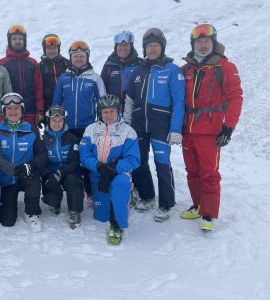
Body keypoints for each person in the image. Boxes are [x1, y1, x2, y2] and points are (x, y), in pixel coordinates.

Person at [180, 24, 243, 231]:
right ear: (193, 43)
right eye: (198, 41)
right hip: (187, 129)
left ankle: (208, 214)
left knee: (209, 173)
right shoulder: (186, 68)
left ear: (213, 42)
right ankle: (198, 205)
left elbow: (235, 98)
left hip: (209, 130)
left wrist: (229, 127)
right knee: (192, 171)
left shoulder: (225, 67)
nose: (203, 44)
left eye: (206, 41)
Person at [123, 28, 185, 222]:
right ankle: (148, 195)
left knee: (162, 165)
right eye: (149, 45)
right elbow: (129, 100)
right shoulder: (138, 71)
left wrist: (175, 129)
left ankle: (166, 203)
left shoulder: (172, 70)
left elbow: (179, 102)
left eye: (156, 45)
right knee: (139, 162)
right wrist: (126, 123)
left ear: (162, 47)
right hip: (139, 125)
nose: (152, 49)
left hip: (161, 126)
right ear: (144, 48)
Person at [79, 94, 140, 245]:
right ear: (100, 112)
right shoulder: (90, 129)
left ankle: (117, 226)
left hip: (119, 174)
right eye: (105, 112)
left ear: (118, 111)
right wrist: (98, 166)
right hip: (98, 174)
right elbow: (84, 154)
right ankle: (118, 200)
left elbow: (133, 160)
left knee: (121, 186)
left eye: (112, 111)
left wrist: (114, 168)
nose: (109, 115)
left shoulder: (128, 131)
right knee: (101, 216)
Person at [53, 40, 106, 204]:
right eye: (75, 56)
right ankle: (71, 191)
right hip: (67, 127)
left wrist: (101, 125)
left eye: (81, 56)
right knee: (69, 159)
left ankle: (90, 192)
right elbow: (56, 103)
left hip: (87, 128)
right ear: (71, 58)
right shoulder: (63, 79)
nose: (78, 59)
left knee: (87, 160)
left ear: (87, 57)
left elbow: (103, 103)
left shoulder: (95, 78)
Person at [0, 93, 47, 232]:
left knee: (34, 177)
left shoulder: (32, 129)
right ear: (4, 111)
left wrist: (31, 165)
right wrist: (15, 170)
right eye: (9, 108)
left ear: (22, 111)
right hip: (8, 178)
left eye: (16, 108)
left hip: (27, 174)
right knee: (7, 221)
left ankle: (32, 212)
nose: (13, 111)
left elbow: (42, 154)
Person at [41, 105, 84, 229]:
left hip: (68, 171)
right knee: (50, 182)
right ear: (48, 121)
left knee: (73, 181)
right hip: (51, 172)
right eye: (53, 120)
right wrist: (47, 174)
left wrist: (60, 173)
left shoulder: (72, 138)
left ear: (64, 121)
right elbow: (40, 161)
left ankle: (74, 212)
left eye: (60, 120)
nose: (56, 123)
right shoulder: (43, 139)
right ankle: (55, 202)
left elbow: (74, 161)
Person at [0, 25, 44, 126]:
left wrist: (40, 111)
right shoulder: (2, 64)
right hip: (10, 112)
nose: (17, 41)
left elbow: (38, 88)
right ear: (9, 41)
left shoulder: (32, 63)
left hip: (30, 112)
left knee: (31, 139)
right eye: (14, 39)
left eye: (20, 38)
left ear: (24, 41)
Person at [101, 30, 142, 113]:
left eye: (126, 45)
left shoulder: (140, 64)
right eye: (120, 45)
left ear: (131, 46)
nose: (123, 48)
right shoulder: (109, 65)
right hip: (113, 113)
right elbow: (103, 89)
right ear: (116, 47)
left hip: (135, 112)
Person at [39, 34, 70, 113]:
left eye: (54, 48)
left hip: (66, 104)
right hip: (48, 105)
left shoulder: (67, 64)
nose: (51, 51)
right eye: (48, 48)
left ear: (58, 49)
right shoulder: (40, 66)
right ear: (44, 49)